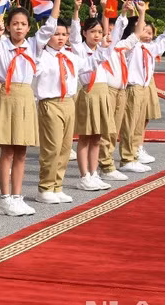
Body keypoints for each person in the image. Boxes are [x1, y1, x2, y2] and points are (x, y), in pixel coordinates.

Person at [0, 0, 67, 216]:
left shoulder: (33, 44)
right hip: (7, 94)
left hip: (25, 97)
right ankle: (5, 199)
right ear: (8, 27)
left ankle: (17, 196)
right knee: (7, 151)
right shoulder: (1, 44)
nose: (19, 28)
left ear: (28, 27)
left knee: (21, 151)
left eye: (23, 24)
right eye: (15, 24)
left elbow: (50, 26)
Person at [34, 15, 111, 204]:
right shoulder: (40, 56)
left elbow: (89, 65)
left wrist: (104, 48)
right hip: (50, 103)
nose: (61, 38)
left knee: (65, 148)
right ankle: (45, 187)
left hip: (69, 102)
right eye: (56, 34)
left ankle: (57, 186)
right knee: (52, 147)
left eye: (64, 34)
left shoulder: (70, 56)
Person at [70, 0, 141, 190]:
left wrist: (123, 13)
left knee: (97, 137)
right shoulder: (79, 49)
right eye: (92, 31)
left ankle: (93, 173)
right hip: (89, 92)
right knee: (86, 137)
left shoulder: (104, 50)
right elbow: (75, 34)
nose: (96, 35)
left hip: (102, 94)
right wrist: (76, 11)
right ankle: (84, 176)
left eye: (99, 32)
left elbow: (115, 34)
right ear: (85, 33)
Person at [118, 3, 165, 173]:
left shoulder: (146, 47)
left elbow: (161, 43)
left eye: (149, 33)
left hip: (142, 88)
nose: (148, 35)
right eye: (144, 31)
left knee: (138, 124)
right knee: (130, 124)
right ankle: (127, 158)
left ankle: (133, 156)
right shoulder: (131, 46)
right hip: (132, 88)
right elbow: (156, 42)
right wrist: (140, 13)